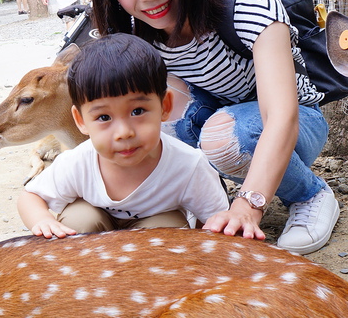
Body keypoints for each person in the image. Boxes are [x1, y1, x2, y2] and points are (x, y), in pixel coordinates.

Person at [85, 0, 339, 254]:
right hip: (216, 119)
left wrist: (249, 204)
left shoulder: (247, 4)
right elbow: (165, 118)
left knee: (221, 137)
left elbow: (282, 116)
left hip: (296, 121)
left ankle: (311, 194)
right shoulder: (140, 37)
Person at [19, 34, 230, 238]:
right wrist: (42, 220)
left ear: (164, 106)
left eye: (137, 111)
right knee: (79, 219)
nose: (123, 133)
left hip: (154, 233)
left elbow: (217, 220)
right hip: (94, 235)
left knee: (167, 229)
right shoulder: (79, 161)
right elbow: (30, 196)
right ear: (81, 120)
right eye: (103, 117)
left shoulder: (189, 165)